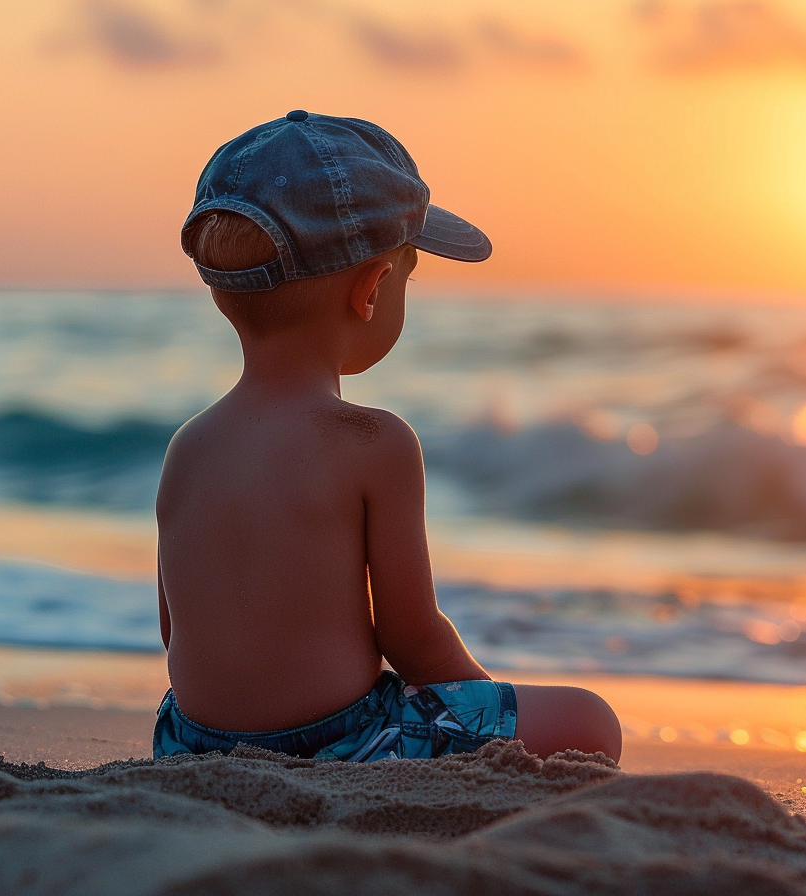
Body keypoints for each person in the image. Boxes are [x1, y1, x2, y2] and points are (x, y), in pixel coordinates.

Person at [152, 111, 621, 763]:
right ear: (371, 290)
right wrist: (485, 724)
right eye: (408, 276)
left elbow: (176, 631)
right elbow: (415, 640)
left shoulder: (188, 448)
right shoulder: (375, 443)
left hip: (189, 744)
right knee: (589, 722)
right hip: (347, 742)